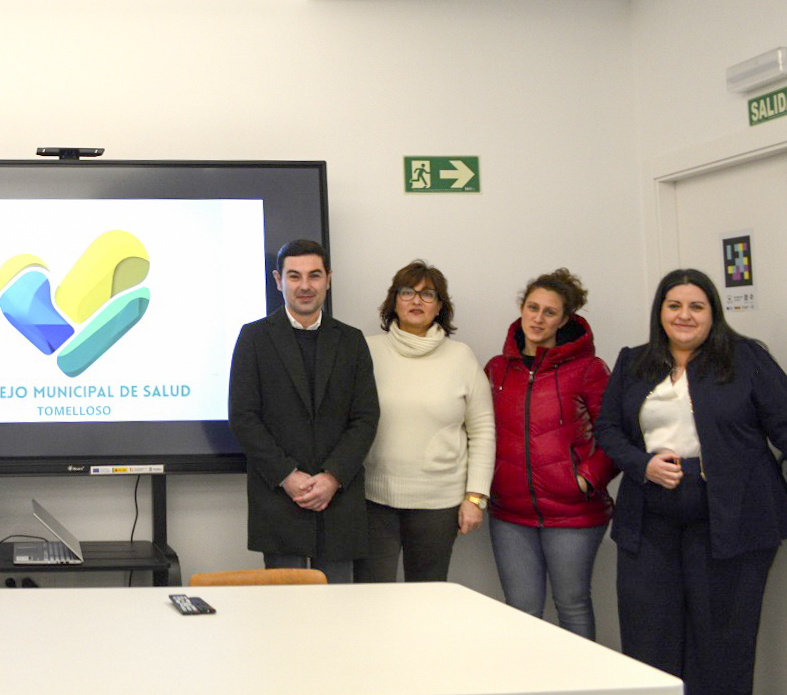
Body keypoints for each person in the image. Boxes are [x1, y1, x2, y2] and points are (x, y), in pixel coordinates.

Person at [596, 269, 787, 695]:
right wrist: (641, 463)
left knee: (722, 645)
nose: (684, 315)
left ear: (713, 313)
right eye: (674, 305)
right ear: (660, 311)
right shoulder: (634, 361)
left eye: (696, 306)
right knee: (649, 642)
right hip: (650, 519)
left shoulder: (746, 359)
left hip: (732, 521)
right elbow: (607, 428)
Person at [227, 239, 379, 583]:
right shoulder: (253, 339)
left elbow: (365, 418)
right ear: (278, 280)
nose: (305, 286)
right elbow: (243, 417)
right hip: (280, 499)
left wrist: (333, 477)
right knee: (285, 618)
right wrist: (287, 476)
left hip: (338, 499)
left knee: (338, 616)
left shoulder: (352, 342)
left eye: (314, 275)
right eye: (294, 276)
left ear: (328, 279)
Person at [484, 268, 616, 639]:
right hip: (510, 515)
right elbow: (479, 433)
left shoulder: (589, 369)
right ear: (521, 309)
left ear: (565, 319)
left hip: (573, 513)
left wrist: (586, 480)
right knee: (521, 613)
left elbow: (616, 436)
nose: (538, 319)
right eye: (532, 308)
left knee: (572, 607)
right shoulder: (497, 369)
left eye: (549, 312)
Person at [354, 260, 493, 583]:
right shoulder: (366, 351)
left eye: (427, 294)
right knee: (371, 599)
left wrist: (475, 497)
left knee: (426, 602)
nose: (416, 301)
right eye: (407, 292)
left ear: (440, 306)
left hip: (439, 505)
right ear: (394, 301)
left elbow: (483, 431)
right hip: (374, 501)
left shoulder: (461, 357)